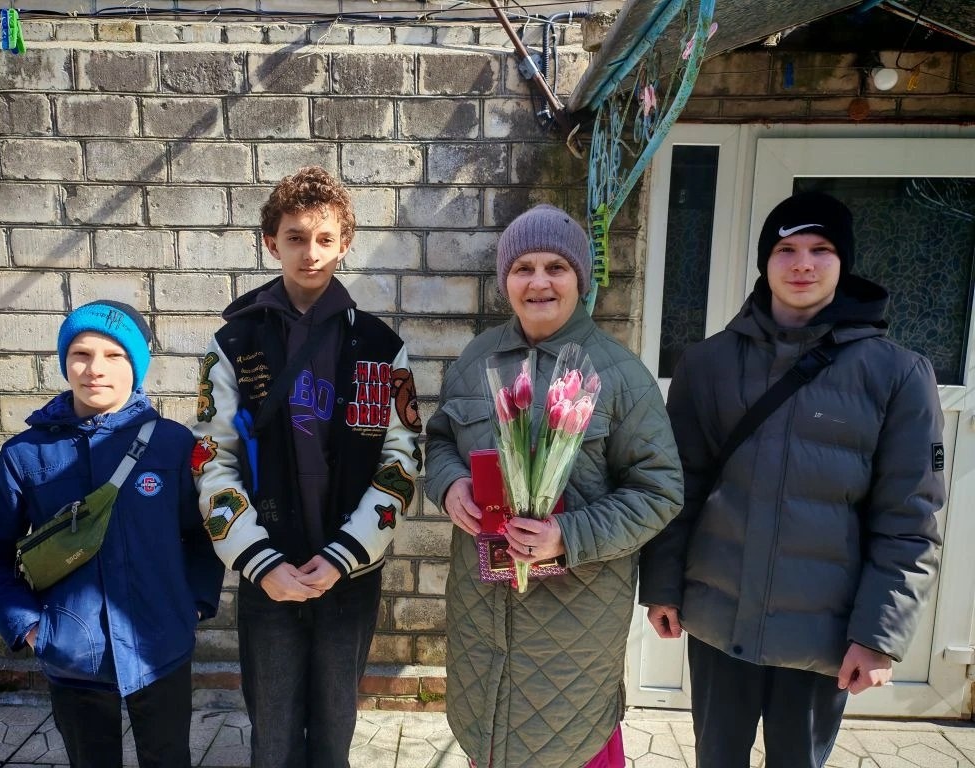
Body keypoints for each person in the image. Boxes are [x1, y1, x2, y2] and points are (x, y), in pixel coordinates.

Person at [639, 190, 945, 768]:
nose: (803, 264)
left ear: (843, 261)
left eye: (821, 249)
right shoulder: (706, 364)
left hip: (823, 636)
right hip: (719, 620)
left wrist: (879, 636)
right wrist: (662, 585)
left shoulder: (897, 374)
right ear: (766, 261)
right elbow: (678, 488)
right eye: (786, 249)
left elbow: (910, 520)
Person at [425, 203, 684, 768]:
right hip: (481, 611)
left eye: (556, 267)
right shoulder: (476, 360)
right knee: (488, 738)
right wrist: (449, 486)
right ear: (505, 280)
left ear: (580, 279)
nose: (538, 282)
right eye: (523, 268)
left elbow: (659, 491)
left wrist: (566, 535)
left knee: (568, 746)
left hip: (574, 625)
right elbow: (440, 440)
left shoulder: (619, 374)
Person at [190, 165, 423, 768]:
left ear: (345, 244)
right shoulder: (233, 343)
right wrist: (259, 561)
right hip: (268, 569)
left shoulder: (381, 347)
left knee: (334, 732)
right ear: (272, 243)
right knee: (272, 737)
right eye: (295, 237)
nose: (310, 253)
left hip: (350, 573)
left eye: (324, 239)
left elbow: (402, 459)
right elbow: (213, 459)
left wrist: (346, 554)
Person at [0, 300, 224, 768]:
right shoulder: (25, 454)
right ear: (64, 361)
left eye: (114, 355)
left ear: (137, 365)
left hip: (160, 648)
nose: (95, 369)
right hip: (72, 656)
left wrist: (192, 605)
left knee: (169, 757)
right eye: (81, 354)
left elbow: (203, 536)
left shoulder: (172, 444)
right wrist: (31, 629)